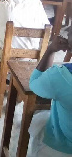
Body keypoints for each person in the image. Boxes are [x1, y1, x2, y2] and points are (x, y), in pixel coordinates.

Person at [28, 26, 72, 156]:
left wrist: (50, 50)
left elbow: (34, 84)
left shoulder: (60, 76)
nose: (68, 32)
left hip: (64, 145)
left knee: (36, 125)